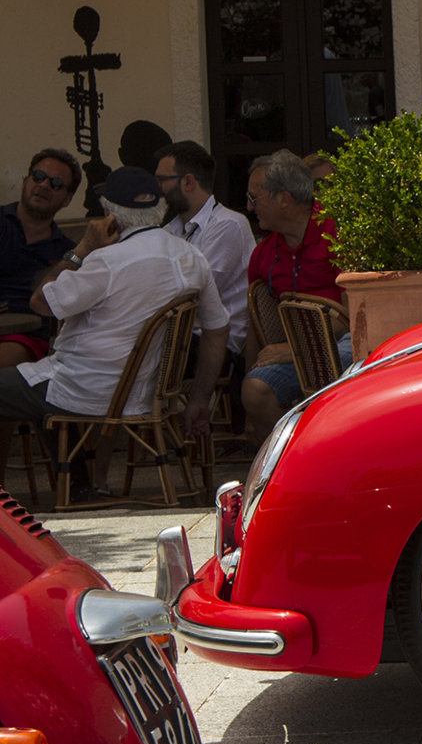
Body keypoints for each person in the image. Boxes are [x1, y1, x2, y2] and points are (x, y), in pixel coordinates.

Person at [0, 166, 226, 498]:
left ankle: (70, 486)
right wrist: (199, 399)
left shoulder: (107, 261)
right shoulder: (192, 257)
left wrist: (82, 248)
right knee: (35, 384)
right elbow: (217, 331)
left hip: (85, 388)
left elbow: (40, 302)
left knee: (35, 385)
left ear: (109, 213)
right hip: (145, 392)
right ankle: (79, 486)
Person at [243, 149, 348, 440]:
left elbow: (355, 316)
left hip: (343, 343)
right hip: (297, 350)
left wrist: (295, 350)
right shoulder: (263, 253)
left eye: (254, 197)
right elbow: (254, 324)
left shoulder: (338, 234)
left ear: (284, 200)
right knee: (254, 391)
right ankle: (299, 451)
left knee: (332, 364)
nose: (250, 206)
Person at [157, 140, 251, 402]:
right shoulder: (170, 229)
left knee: (126, 353)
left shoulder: (229, 224)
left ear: (188, 182)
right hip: (179, 338)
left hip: (215, 345)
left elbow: (192, 292)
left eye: (162, 180)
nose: (158, 190)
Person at [0, 149, 82, 370]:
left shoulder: (67, 251)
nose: (44, 185)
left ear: (67, 199)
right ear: (25, 182)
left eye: (56, 183)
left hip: (26, 337)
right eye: (38, 177)